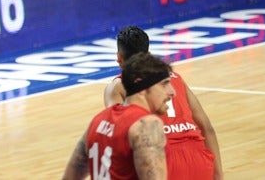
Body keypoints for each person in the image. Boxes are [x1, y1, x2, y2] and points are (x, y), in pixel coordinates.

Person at [102, 26, 224, 180]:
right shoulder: (174, 78)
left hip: (163, 160)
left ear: (119, 58)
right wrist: (218, 174)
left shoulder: (118, 86)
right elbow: (207, 128)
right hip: (199, 157)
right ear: (149, 55)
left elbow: (117, 139)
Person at [62, 52, 174, 180]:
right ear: (142, 86)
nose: (172, 92)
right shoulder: (146, 125)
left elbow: (70, 177)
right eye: (164, 84)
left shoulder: (98, 120)